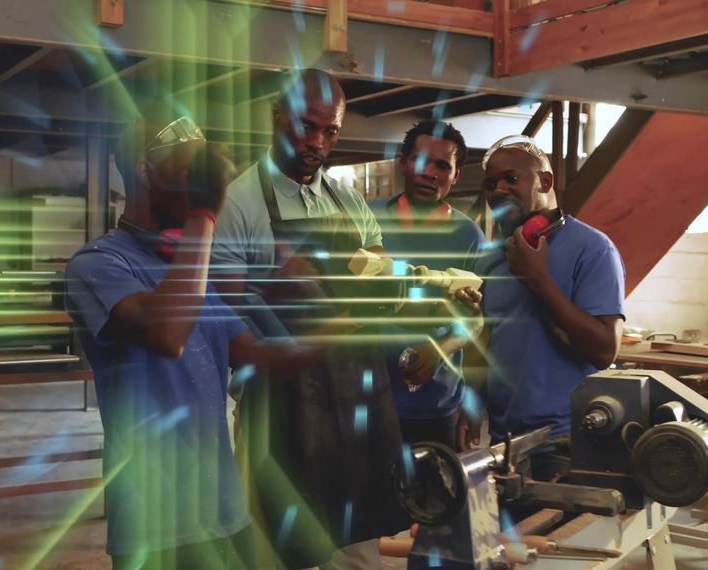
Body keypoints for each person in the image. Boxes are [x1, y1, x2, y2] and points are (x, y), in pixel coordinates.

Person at [65, 110, 316, 570]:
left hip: (224, 512)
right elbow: (167, 334)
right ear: (145, 172)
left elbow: (256, 357)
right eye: (190, 174)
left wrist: (348, 325)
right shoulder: (98, 264)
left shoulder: (190, 268)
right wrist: (204, 214)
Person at [210, 69, 407, 569]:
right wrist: (284, 283)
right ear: (277, 117)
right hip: (278, 399)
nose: (317, 142)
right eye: (305, 126)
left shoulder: (347, 199)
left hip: (357, 389)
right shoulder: (237, 202)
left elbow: (380, 277)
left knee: (359, 541)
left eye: (331, 131)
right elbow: (228, 311)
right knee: (277, 542)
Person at [459, 135, 626, 475]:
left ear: (545, 181)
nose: (498, 190)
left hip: (570, 441)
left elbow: (605, 349)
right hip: (505, 441)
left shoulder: (593, 249)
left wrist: (537, 280)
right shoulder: (492, 257)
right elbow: (485, 338)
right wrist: (471, 402)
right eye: (491, 183)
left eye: (512, 178)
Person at [369, 120, 485, 450]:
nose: (429, 172)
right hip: (365, 400)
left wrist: (440, 350)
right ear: (403, 162)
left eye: (442, 165)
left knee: (431, 498)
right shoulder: (365, 221)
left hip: (435, 409)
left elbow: (477, 321)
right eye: (420, 161)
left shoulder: (469, 237)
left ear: (456, 175)